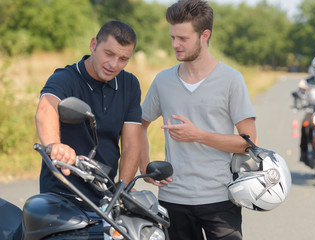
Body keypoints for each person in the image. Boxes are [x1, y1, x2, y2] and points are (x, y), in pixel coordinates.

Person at [140, 1, 257, 239]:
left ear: (205, 35)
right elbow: (139, 126)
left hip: (220, 199)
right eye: (172, 37)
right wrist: (145, 166)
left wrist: (198, 136)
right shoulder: (163, 81)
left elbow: (249, 142)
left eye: (183, 38)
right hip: (173, 200)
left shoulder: (231, 80)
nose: (175, 45)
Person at [35, 20, 142, 207]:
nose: (113, 64)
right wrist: (54, 145)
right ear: (94, 45)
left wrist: (122, 189)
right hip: (63, 193)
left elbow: (131, 144)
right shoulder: (65, 78)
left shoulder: (130, 85)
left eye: (123, 59)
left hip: (105, 197)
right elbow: (46, 108)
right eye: (108, 54)